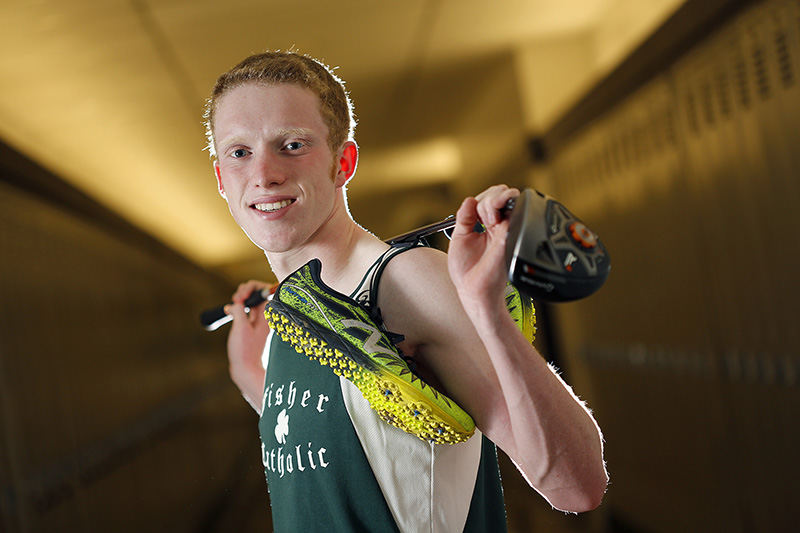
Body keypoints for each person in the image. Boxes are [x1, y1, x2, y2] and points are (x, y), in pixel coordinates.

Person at [204, 50, 607, 532]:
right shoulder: (294, 314)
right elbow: (346, 450)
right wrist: (250, 369)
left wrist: (487, 313)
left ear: (342, 163)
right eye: (240, 152)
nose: (264, 173)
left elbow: (576, 484)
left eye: (292, 144)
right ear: (221, 179)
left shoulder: (402, 281)